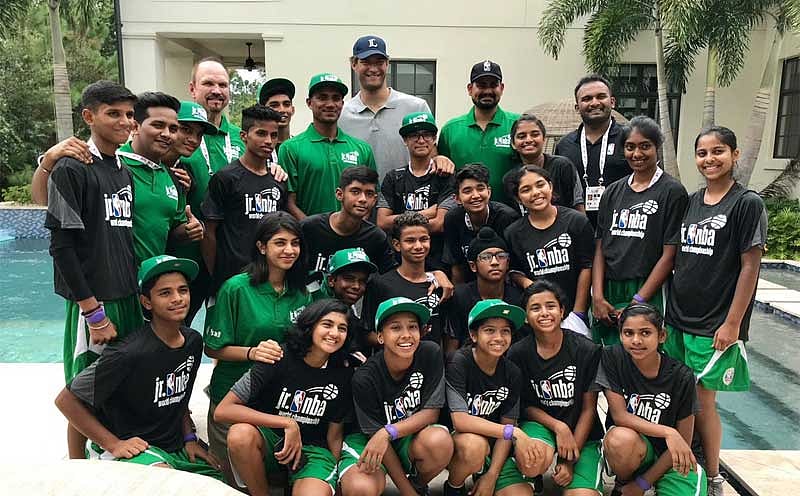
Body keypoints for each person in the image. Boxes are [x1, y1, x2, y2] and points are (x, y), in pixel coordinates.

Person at [54, 255, 222, 481]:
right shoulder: (128, 353)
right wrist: (113, 444)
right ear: (146, 302)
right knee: (167, 484)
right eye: (165, 293)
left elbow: (180, 399)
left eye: (183, 290)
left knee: (217, 480)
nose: (177, 298)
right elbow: (66, 400)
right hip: (135, 447)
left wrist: (189, 437)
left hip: (173, 446)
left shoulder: (193, 342)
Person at [664, 126, 766, 496]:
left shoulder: (746, 203)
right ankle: (680, 465)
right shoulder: (692, 201)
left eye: (718, 151)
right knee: (679, 394)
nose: (710, 159)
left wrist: (733, 323)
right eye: (702, 153)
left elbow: (750, 266)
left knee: (703, 400)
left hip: (714, 322)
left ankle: (712, 474)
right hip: (678, 317)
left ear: (735, 155)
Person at [45, 80, 143, 459]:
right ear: (89, 116)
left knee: (115, 383)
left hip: (126, 295)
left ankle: (103, 457)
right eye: (113, 113)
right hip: (96, 302)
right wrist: (93, 311)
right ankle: (76, 465)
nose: (124, 122)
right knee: (84, 388)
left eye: (129, 115)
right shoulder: (71, 168)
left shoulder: (122, 170)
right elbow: (61, 247)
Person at [203, 212, 312, 476]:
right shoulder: (236, 288)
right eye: (280, 242)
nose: (289, 250)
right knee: (231, 483)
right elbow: (212, 348)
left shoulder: (301, 292)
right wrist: (252, 352)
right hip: (232, 399)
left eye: (295, 243)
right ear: (261, 247)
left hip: (277, 403)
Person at [182, 58, 287, 324]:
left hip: (247, 259)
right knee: (179, 330)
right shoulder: (179, 134)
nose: (216, 90)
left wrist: (276, 169)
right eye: (208, 83)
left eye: (223, 84)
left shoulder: (240, 136)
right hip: (194, 252)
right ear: (193, 88)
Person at [214, 299, 355, 496]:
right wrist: (288, 423)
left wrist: (335, 477)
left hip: (313, 450)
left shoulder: (345, 374)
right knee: (240, 435)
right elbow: (223, 410)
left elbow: (335, 433)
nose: (334, 333)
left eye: (342, 328)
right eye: (327, 324)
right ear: (310, 326)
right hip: (271, 441)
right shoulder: (277, 357)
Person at [338, 297, 453, 496]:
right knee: (360, 488)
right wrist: (406, 492)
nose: (406, 335)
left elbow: (431, 413)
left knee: (439, 441)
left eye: (413, 327)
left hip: (403, 433)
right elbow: (376, 436)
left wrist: (388, 432)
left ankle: (418, 484)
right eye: (396, 328)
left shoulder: (430, 353)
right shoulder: (364, 377)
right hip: (368, 439)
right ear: (380, 336)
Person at [592, 116, 689, 346]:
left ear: (657, 147)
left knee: (647, 355)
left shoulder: (672, 191)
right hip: (609, 288)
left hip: (648, 287)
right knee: (610, 361)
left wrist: (639, 300)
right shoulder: (613, 192)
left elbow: (670, 255)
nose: (637, 153)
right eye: (630, 147)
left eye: (645, 146)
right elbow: (600, 246)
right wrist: (597, 295)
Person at [597, 304, 707, 496]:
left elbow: (684, 440)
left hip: (675, 458)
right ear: (620, 335)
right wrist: (668, 432)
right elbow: (620, 416)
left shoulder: (682, 376)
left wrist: (643, 484)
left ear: (662, 336)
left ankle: (647, 485)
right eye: (628, 333)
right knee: (619, 439)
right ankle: (623, 483)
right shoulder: (613, 357)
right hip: (639, 452)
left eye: (645, 333)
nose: (636, 340)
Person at [508, 280, 605, 496]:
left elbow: (589, 408)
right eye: (535, 308)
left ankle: (581, 466)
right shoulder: (517, 353)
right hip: (541, 424)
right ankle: (533, 477)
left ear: (562, 311)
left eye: (550, 306)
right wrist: (558, 426)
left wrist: (569, 460)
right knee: (531, 462)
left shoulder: (586, 350)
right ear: (525, 316)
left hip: (583, 432)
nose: (544, 313)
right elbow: (525, 406)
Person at [444, 299, 547, 496]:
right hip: (460, 445)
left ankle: (486, 474)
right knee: (474, 446)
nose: (498, 337)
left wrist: (492, 475)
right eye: (489, 330)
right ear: (473, 335)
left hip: (496, 445)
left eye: (505, 331)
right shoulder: (459, 362)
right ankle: (454, 486)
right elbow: (461, 421)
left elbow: (508, 422)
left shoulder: (512, 372)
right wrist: (514, 432)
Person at [340, 35, 455, 180]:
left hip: (406, 199)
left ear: (387, 63)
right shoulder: (342, 114)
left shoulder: (416, 107)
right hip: (361, 200)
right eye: (366, 62)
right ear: (354, 64)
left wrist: (440, 159)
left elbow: (430, 154)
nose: (373, 68)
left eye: (379, 62)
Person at [201, 105, 288, 294]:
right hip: (232, 280)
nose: (268, 141)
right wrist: (216, 277)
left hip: (268, 279)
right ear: (243, 136)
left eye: (273, 135)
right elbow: (209, 232)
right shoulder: (225, 178)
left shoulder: (279, 180)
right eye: (261, 133)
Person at [504, 166, 594, 337]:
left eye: (540, 185)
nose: (536, 192)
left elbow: (587, 266)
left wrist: (579, 312)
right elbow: (514, 271)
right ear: (518, 198)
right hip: (540, 315)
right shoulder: (513, 233)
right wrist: (528, 284)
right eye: (526, 189)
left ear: (550, 186)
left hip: (575, 311)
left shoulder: (576, 221)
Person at [116, 91, 204, 264]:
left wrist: (189, 230)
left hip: (152, 282)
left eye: (173, 129)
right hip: (112, 284)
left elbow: (172, 231)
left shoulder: (174, 177)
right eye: (158, 125)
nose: (167, 134)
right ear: (135, 127)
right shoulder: (113, 165)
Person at [279, 73, 377, 218]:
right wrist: (315, 231)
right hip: (309, 237)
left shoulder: (362, 149)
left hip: (354, 239)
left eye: (336, 98)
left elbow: (371, 196)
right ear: (309, 103)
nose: (330, 104)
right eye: (322, 97)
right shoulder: (290, 148)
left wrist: (355, 231)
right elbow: (289, 202)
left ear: (342, 104)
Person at [377, 112, 455, 270]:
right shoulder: (393, 178)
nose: (421, 140)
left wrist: (401, 224)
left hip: (437, 262)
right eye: (414, 135)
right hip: (399, 263)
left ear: (434, 139)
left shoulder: (445, 177)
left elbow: (440, 224)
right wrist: (427, 213)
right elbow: (382, 223)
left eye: (426, 135)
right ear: (405, 140)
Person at [363, 212, 450, 348]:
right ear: (397, 245)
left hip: (431, 363)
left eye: (423, 239)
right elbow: (367, 333)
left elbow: (445, 332)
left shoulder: (441, 285)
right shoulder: (380, 284)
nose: (418, 246)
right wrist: (401, 342)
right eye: (410, 241)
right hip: (393, 365)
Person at [438, 60, 519, 205]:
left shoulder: (518, 125)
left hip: (511, 216)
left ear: (502, 88)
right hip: (463, 215)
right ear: (470, 89)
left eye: (493, 85)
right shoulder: (450, 130)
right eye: (481, 85)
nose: (487, 91)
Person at [555, 75, 631, 226]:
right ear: (577, 107)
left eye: (601, 96)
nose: (595, 103)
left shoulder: (630, 139)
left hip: (622, 228)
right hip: (577, 229)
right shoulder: (565, 145)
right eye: (587, 98)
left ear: (612, 102)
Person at [300, 166, 395, 276]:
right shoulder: (309, 228)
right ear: (340, 194)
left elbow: (389, 278)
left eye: (369, 194)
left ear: (374, 200)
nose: (363, 199)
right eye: (355, 192)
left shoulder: (376, 237)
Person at [444, 226, 525, 352]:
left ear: (508, 263)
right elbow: (452, 343)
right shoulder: (460, 296)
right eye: (486, 257)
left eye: (501, 256)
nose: (494, 262)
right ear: (473, 266)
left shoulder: (517, 297)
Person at [443, 164, 520, 284]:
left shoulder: (507, 217)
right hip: (470, 284)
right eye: (467, 191)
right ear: (457, 198)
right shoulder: (452, 219)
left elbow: (514, 266)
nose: (475, 196)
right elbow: (456, 266)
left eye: (480, 189)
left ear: (489, 192)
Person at [504, 114, 584, 213]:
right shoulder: (510, 178)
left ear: (544, 138)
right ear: (513, 143)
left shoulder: (563, 166)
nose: (528, 140)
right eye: (522, 136)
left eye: (535, 134)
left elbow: (578, 204)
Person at [318, 248, 378, 359]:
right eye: (349, 279)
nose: (356, 286)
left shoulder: (345, 307)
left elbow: (361, 333)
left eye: (362, 281)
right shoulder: (315, 305)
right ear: (331, 280)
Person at [258, 77, 296, 153]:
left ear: (293, 110)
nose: (282, 110)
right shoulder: (258, 150)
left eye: (286, 104)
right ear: (263, 110)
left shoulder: (299, 146)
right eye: (274, 105)